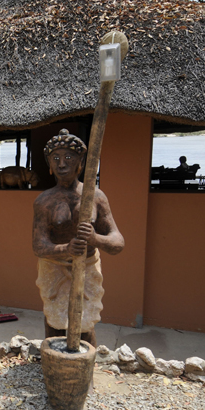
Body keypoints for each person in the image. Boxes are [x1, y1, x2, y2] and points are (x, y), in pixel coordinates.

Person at [32, 130, 124, 346]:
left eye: (68, 158)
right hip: (54, 268)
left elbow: (118, 242)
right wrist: (65, 249)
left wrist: (95, 239)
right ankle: (54, 369)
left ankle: (85, 370)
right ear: (49, 165)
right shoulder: (44, 201)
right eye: (56, 159)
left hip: (87, 266)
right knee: (55, 322)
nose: (62, 164)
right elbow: (39, 245)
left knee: (85, 323)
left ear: (80, 163)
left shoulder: (95, 197)